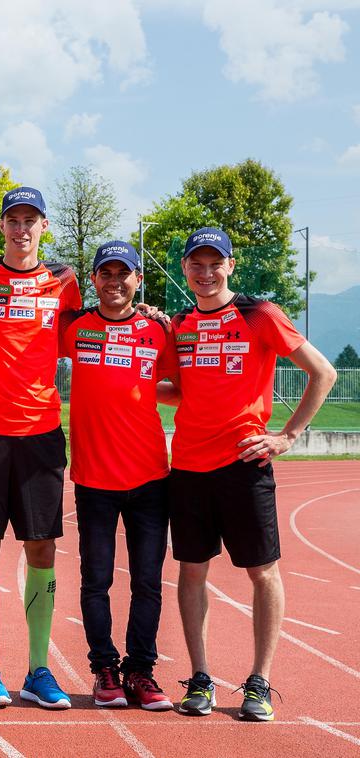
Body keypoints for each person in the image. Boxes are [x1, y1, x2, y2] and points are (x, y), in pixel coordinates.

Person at [169, 227, 336, 721]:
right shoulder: (178, 324)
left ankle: (259, 681)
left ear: (231, 265)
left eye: (214, 262)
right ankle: (200, 678)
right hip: (189, 467)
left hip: (244, 467)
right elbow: (180, 390)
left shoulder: (258, 314)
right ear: (184, 269)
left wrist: (287, 436)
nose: (205, 272)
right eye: (196, 264)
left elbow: (323, 372)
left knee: (262, 573)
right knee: (191, 571)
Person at [0, 187, 83, 709]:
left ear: (44, 226)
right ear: (2, 226)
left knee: (42, 548)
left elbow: (90, 324)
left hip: (42, 435)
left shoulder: (64, 281)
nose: (21, 228)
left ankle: (38, 669)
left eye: (31, 219)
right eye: (13, 220)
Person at [58, 241, 177, 711]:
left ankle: (141, 672)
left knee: (147, 581)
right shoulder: (76, 329)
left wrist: (141, 388)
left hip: (149, 477)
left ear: (137, 279)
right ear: (93, 280)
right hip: (93, 480)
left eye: (123, 273)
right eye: (105, 274)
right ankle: (104, 669)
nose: (114, 281)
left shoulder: (157, 331)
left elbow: (181, 388)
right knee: (96, 581)